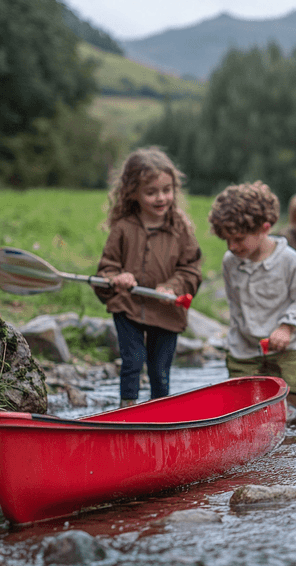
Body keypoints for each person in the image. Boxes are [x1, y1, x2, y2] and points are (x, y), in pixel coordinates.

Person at [95, 147, 202, 407]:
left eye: (167, 190)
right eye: (151, 192)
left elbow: (191, 270)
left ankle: (159, 413)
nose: (161, 197)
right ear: (133, 192)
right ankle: (126, 409)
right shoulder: (122, 228)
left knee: (159, 369)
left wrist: (172, 287)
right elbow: (105, 272)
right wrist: (116, 278)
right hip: (128, 307)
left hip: (166, 312)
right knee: (132, 360)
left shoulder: (180, 230)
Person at [208, 181, 296, 409]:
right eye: (227, 239)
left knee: (293, 396)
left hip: (287, 346)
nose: (232, 246)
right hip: (245, 348)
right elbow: (235, 305)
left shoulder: (289, 260)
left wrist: (287, 327)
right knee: (241, 402)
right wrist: (234, 339)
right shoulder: (230, 261)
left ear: (264, 228)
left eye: (238, 239)